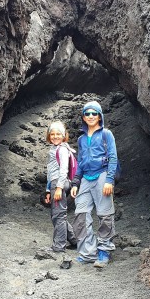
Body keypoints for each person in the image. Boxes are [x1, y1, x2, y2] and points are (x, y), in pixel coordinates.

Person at [70, 101, 118, 268]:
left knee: (105, 214)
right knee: (81, 214)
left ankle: (104, 251)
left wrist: (109, 180)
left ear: (99, 116)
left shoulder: (106, 134)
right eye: (87, 113)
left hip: (102, 176)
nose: (91, 116)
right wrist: (76, 182)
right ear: (83, 117)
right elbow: (80, 162)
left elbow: (113, 157)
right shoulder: (82, 139)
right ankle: (87, 253)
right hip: (85, 179)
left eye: (94, 113)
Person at [44, 121, 77, 252]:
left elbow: (63, 169)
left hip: (59, 183)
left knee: (58, 215)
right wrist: (48, 190)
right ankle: (75, 240)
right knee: (58, 215)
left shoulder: (62, 149)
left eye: (58, 134)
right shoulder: (54, 149)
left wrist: (58, 188)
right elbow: (50, 171)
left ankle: (59, 246)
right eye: (52, 134)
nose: (55, 136)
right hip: (55, 183)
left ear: (64, 136)